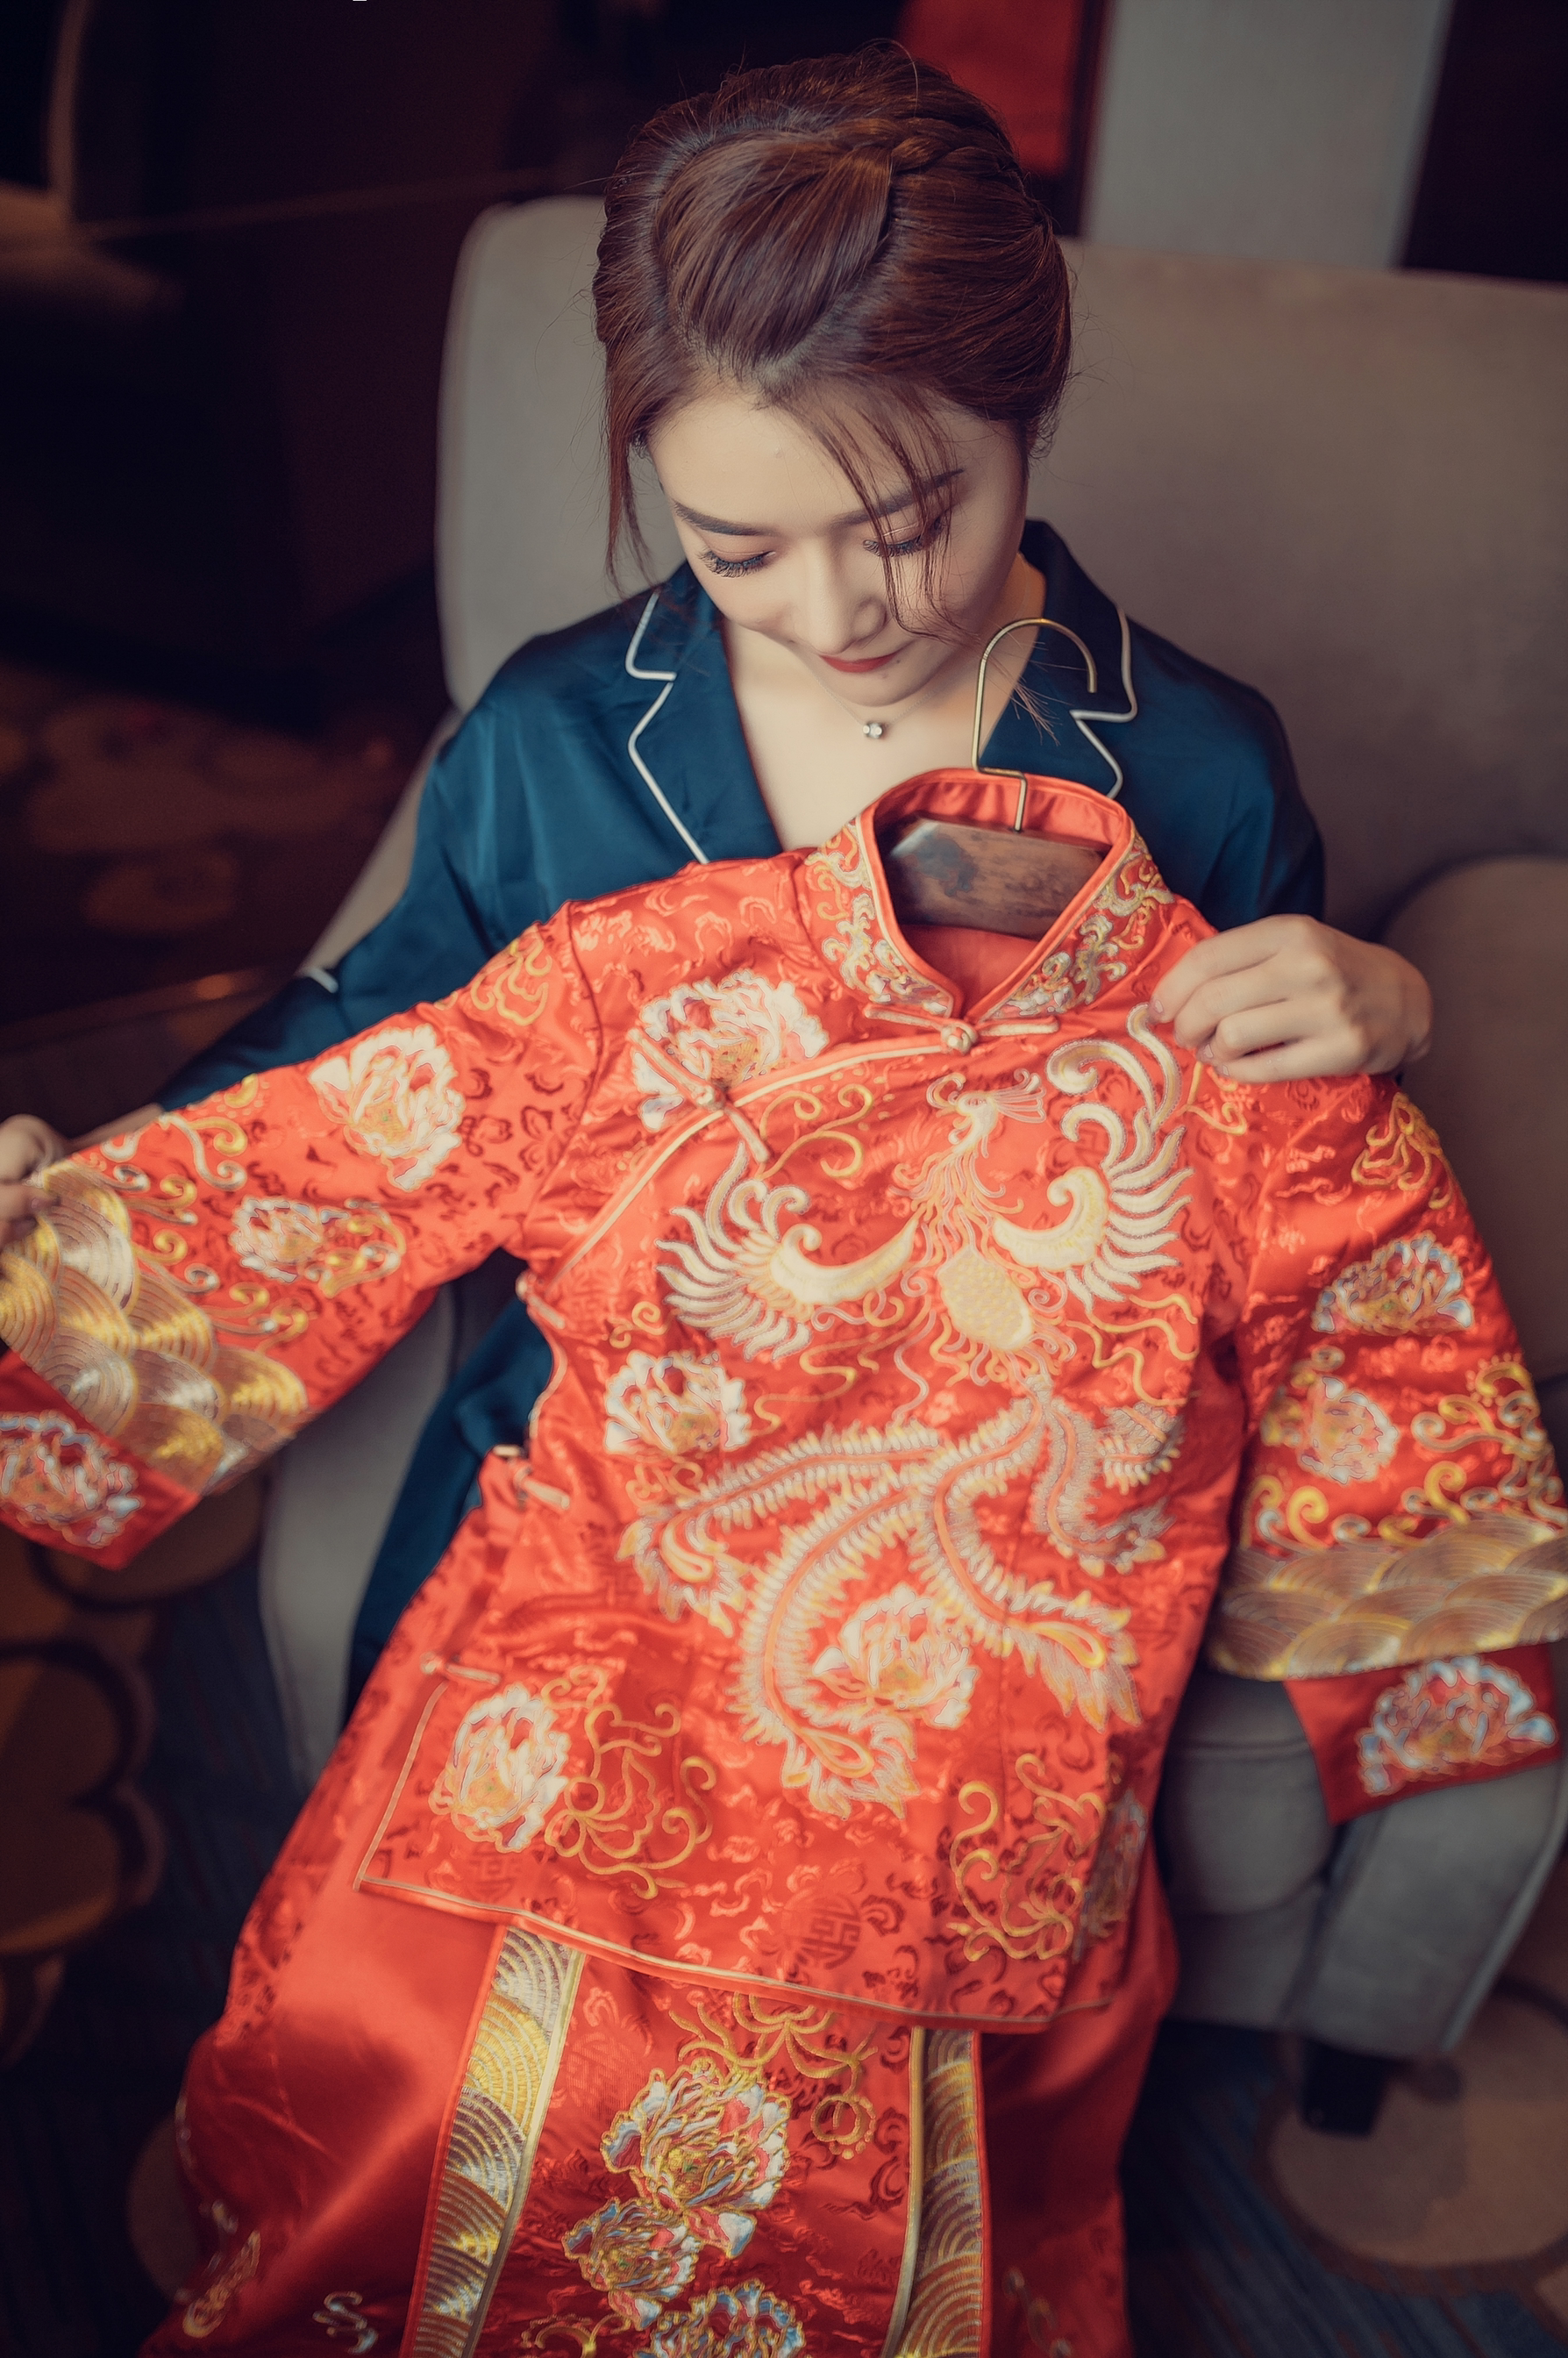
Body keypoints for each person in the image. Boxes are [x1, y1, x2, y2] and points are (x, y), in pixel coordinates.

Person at [0, 25, 1542, 2199]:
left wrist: (1376, 1002)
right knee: (447, 2085)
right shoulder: (557, 735)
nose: (841, 617)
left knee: (865, 2132)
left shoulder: (1191, 759)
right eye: (741, 550)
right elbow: (371, 1057)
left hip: (986, 1537)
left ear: (1029, 411)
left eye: (912, 524)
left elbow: (1267, 1141)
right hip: (598, 1464)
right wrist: (106, 1188)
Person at [2, 761, 1557, 2357]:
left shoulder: (1262, 1077)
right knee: (426, 2074)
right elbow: (342, 1169)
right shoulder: (647, 975)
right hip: (602, 1614)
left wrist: (1435, 1700)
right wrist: (50, 1260)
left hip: (995, 1719)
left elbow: (1398, 1402)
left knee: (860, 2185)